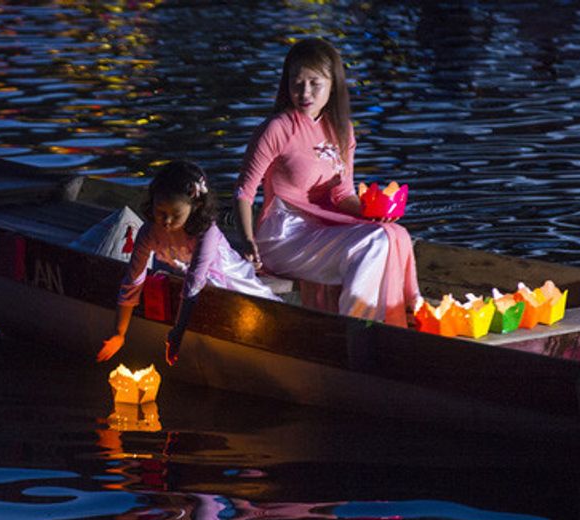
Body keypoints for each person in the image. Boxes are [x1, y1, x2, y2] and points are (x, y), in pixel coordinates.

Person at [234, 37, 420, 327]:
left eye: (314, 83)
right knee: (376, 241)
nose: (304, 92)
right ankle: (353, 329)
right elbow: (244, 193)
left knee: (393, 232)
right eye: (297, 83)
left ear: (332, 84)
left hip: (323, 229)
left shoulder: (342, 130)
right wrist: (247, 242)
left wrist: (372, 212)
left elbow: (342, 194)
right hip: (284, 236)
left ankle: (380, 322)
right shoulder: (277, 128)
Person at [97, 160, 281, 366]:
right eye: (160, 213)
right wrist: (119, 332)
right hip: (182, 271)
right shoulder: (149, 232)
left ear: (194, 207)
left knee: (256, 309)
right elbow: (133, 280)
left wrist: (177, 332)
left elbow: (194, 283)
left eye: (175, 215)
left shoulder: (206, 233)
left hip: (221, 273)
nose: (166, 222)